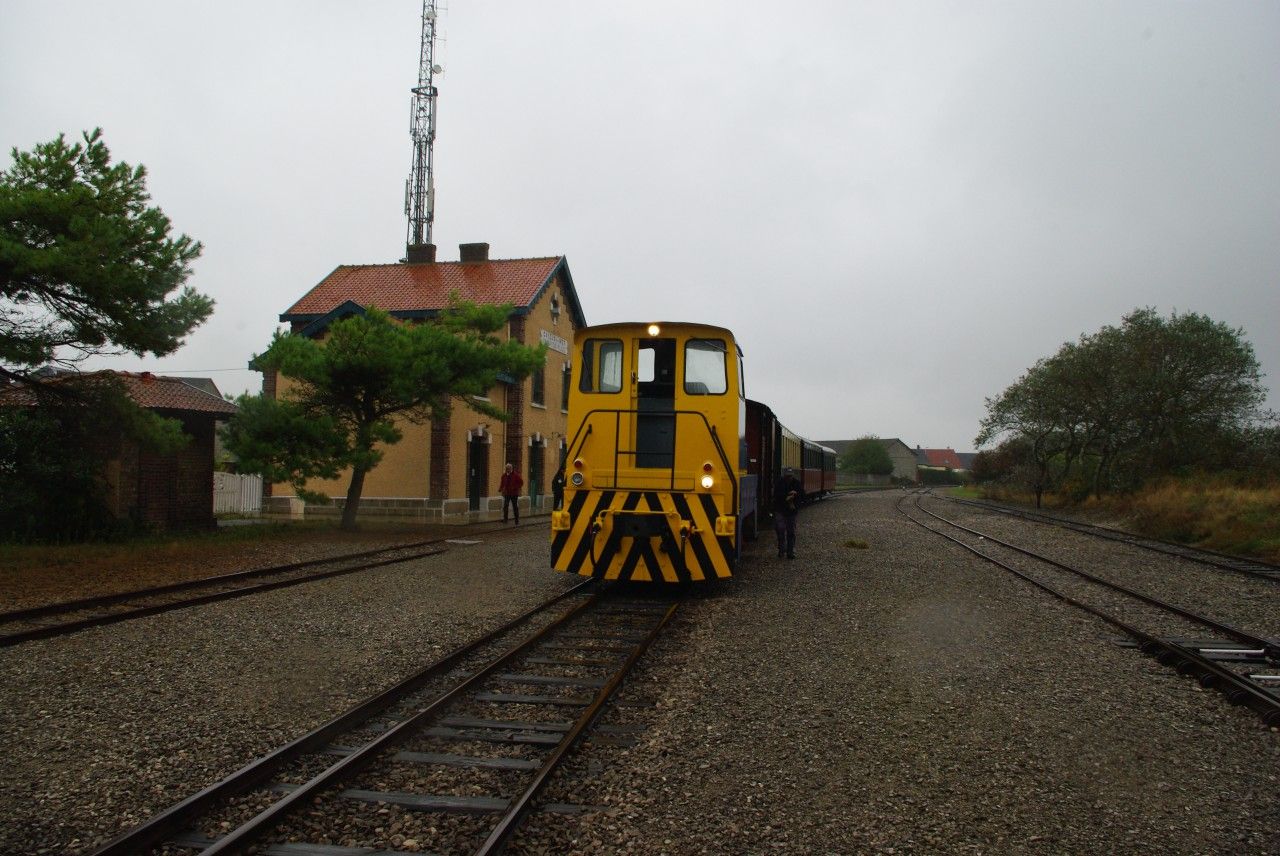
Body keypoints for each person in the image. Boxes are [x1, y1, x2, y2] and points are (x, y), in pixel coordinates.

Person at [773, 467, 802, 559]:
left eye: (790, 476)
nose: (789, 478)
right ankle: (782, 549)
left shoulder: (797, 483)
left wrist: (795, 494)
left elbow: (802, 495)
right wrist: (787, 496)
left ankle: (790, 551)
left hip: (791, 511)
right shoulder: (779, 483)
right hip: (780, 509)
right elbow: (776, 495)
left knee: (791, 532)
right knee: (780, 530)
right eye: (787, 476)